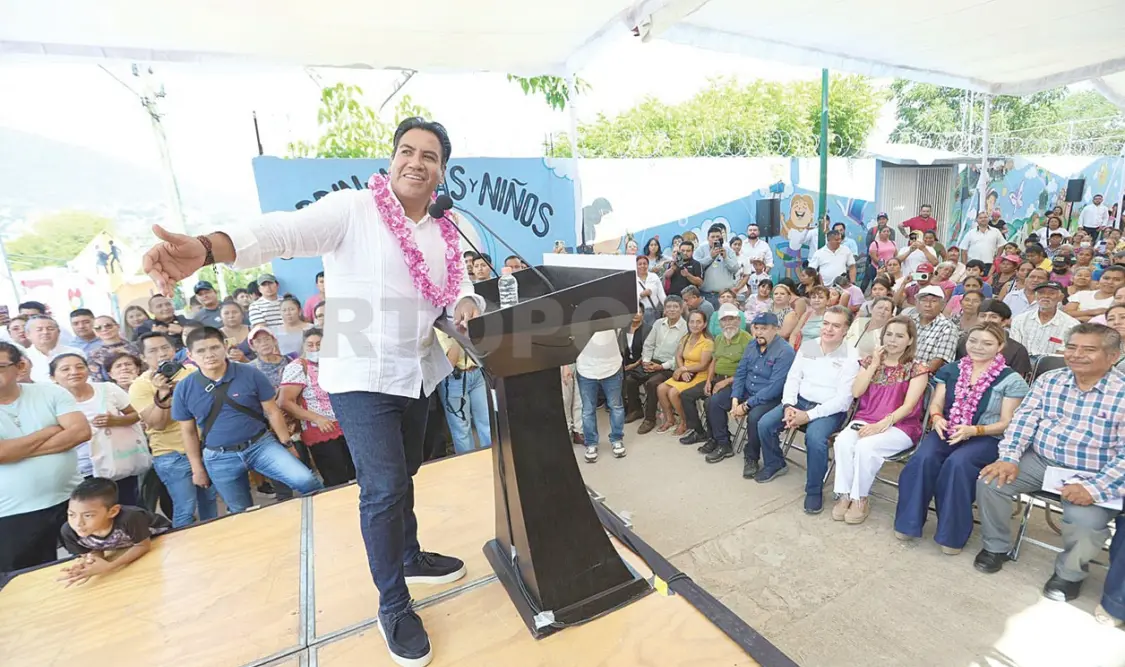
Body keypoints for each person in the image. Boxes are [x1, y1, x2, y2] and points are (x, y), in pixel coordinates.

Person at [144, 118, 487, 666]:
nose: (416, 162)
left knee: (408, 472)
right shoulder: (354, 209)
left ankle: (411, 554)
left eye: (430, 155)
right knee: (383, 488)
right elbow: (282, 233)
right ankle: (393, 604)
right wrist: (208, 249)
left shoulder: (449, 226)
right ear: (392, 158)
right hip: (362, 379)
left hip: (420, 372)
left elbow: (456, 286)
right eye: (407, 150)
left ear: (443, 169)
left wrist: (468, 303)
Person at [975, 324, 1125, 603]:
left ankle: (1069, 574)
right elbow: (1024, 420)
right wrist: (1009, 457)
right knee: (991, 481)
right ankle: (997, 546)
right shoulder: (1051, 380)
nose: (1076, 355)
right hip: (1043, 460)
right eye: (1071, 347)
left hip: (1095, 472)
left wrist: (1095, 489)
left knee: (1086, 523)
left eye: (1088, 350)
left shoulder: (1121, 392)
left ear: (1113, 356)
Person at [894, 323, 1029, 554]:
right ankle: (909, 522)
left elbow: (1007, 422)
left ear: (1000, 347)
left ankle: (952, 533)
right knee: (923, 459)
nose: (978, 347)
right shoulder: (953, 369)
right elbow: (937, 402)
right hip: (949, 429)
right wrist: (937, 418)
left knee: (958, 464)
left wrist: (974, 430)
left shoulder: (1011, 380)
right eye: (973, 341)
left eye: (987, 343)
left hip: (987, 437)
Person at [170, 327, 322, 512]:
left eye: (214, 348)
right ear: (190, 355)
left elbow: (273, 411)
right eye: (201, 351)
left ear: (225, 346)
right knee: (240, 510)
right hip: (219, 456)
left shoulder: (250, 373)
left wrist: (287, 445)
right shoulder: (184, 388)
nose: (209, 355)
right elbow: (188, 431)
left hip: (260, 445)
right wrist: (197, 468)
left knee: (306, 480)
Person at [756, 306, 859, 514]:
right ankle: (775, 463)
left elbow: (843, 401)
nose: (829, 329)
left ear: (846, 330)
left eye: (836, 326)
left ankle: (814, 490)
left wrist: (808, 416)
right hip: (799, 402)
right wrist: (788, 405)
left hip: (828, 410)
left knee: (814, 439)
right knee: (765, 424)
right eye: (826, 323)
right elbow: (794, 378)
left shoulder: (850, 356)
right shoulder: (810, 347)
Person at [0, 342, 91, 577]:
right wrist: (48, 431)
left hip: (71, 501)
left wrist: (16, 452)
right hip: (13, 513)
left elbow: (80, 432)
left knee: (91, 566)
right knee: (27, 581)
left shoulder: (50, 392)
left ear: (20, 366)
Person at [832, 316, 929, 524]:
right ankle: (844, 494)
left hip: (900, 426)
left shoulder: (917, 368)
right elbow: (857, 392)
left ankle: (860, 498)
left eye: (900, 336)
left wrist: (880, 425)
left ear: (910, 340)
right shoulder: (869, 361)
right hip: (866, 418)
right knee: (843, 441)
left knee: (866, 447)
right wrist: (874, 364)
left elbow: (909, 406)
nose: (893, 340)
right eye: (889, 334)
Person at [130, 332, 218, 529]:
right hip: (171, 455)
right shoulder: (140, 386)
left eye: (164, 348)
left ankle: (215, 541)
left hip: (205, 447)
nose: (161, 354)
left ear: (174, 350)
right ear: (143, 357)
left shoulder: (194, 372)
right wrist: (164, 393)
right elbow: (157, 424)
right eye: (152, 351)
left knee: (210, 501)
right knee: (185, 508)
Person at [699, 312, 795, 477]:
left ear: (776, 329)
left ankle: (751, 456)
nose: (758, 332)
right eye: (756, 328)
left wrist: (746, 405)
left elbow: (775, 386)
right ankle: (724, 444)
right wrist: (735, 399)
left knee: (754, 417)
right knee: (714, 402)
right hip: (747, 389)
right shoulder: (752, 345)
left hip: (769, 397)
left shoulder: (785, 351)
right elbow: (741, 372)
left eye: (764, 329)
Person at [50, 353, 143, 505]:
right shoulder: (51, 401)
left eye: (80, 367)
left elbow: (135, 415)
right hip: (79, 469)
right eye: (65, 369)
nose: (74, 372)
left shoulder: (108, 389)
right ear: (53, 377)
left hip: (116, 462)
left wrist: (116, 421)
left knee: (128, 507)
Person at [57, 477, 171, 587]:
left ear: (113, 511)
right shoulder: (69, 531)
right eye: (71, 514)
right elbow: (95, 550)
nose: (78, 523)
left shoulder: (130, 517)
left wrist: (110, 566)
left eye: (88, 515)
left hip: (163, 539)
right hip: (126, 549)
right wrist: (89, 564)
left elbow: (143, 545)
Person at [279, 328, 357, 486]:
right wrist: (317, 419)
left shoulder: (335, 363)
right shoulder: (298, 367)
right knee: (336, 480)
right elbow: (285, 401)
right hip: (320, 429)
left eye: (319, 345)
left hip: (346, 425)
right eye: (310, 345)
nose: (315, 349)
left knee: (357, 474)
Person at [679, 304, 750, 454]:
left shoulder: (747, 340)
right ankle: (702, 433)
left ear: (738, 320)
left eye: (732, 319)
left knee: (711, 402)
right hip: (717, 379)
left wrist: (725, 381)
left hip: (736, 383)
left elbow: (749, 370)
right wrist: (709, 380)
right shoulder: (719, 338)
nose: (728, 323)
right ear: (720, 323)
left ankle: (723, 443)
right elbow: (714, 361)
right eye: (724, 320)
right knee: (686, 395)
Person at [432, 328, 491, 455]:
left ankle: (493, 465)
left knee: (487, 424)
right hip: (454, 380)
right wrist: (458, 334)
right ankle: (469, 470)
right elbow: (450, 362)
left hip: (476, 372)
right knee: (462, 431)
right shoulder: (439, 326)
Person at [656, 310, 714, 436]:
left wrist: (683, 369)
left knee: (673, 392)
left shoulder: (708, 342)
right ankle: (670, 419)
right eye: (692, 322)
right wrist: (682, 369)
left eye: (699, 322)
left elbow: (703, 364)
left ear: (704, 324)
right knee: (661, 388)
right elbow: (678, 356)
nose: (695, 325)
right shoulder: (686, 338)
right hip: (684, 373)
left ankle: (685, 421)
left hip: (699, 375)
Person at [576, 328, 627, 463]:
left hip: (611, 367)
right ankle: (591, 443)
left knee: (615, 406)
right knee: (588, 410)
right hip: (586, 368)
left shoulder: (611, 310)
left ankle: (617, 439)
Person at [955, 299, 1033, 379]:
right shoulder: (965, 342)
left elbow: (1017, 384)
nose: (986, 320)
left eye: (993, 317)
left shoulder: (1017, 350)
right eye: (982, 316)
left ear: (1004, 322)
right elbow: (955, 372)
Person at [1009, 281, 1079, 357]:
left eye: (1051, 293)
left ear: (1061, 297)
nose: (1045, 296)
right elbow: (1014, 349)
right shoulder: (1020, 320)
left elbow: (1063, 355)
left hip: (1053, 366)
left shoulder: (1072, 325)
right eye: (1041, 293)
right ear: (1035, 296)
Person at [907, 286, 960, 373]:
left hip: (925, 376)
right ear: (917, 304)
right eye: (924, 300)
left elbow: (937, 363)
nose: (928, 305)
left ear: (942, 305)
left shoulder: (948, 328)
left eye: (934, 301)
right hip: (900, 372)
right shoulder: (908, 321)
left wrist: (912, 375)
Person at [26, 317, 85, 384]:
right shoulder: (24, 356)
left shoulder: (75, 352)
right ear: (28, 334)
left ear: (58, 332)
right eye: (39, 329)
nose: (45, 332)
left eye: (50, 329)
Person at [86, 316, 140, 381]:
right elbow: (97, 380)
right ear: (94, 331)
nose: (104, 329)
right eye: (98, 328)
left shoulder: (136, 347)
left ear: (118, 326)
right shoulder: (94, 355)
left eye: (108, 325)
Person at [699, 224, 740, 308]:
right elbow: (697, 267)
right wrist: (710, 257)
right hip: (707, 295)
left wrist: (725, 257)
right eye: (712, 237)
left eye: (718, 237)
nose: (715, 239)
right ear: (707, 238)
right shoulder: (701, 250)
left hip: (725, 296)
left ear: (722, 238)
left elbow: (735, 268)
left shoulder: (728, 250)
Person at [635, 254, 666, 326]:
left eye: (645, 264)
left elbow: (661, 294)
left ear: (648, 265)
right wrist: (641, 295)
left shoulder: (654, 277)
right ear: (636, 266)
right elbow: (630, 298)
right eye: (640, 264)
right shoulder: (633, 278)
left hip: (653, 311)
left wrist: (666, 307)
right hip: (639, 313)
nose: (642, 266)